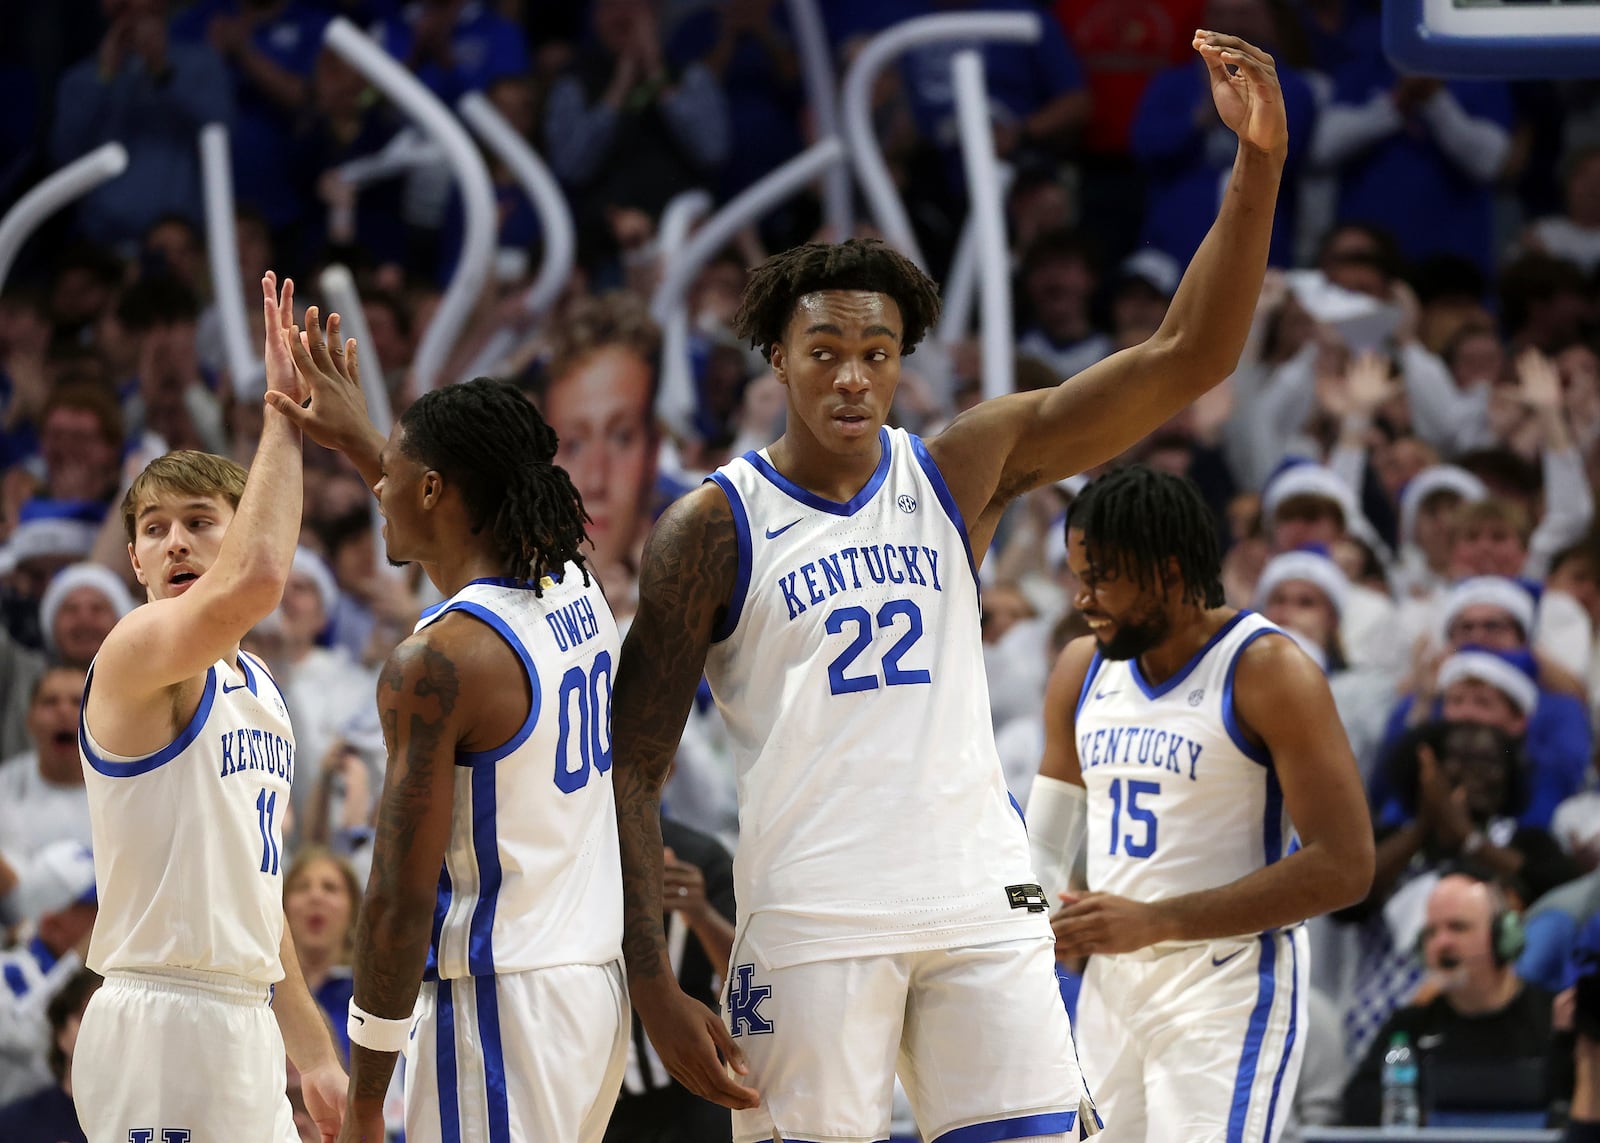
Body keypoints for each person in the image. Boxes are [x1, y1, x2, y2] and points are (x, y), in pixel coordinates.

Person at [609, 30, 1290, 1143]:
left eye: (876, 353)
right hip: (815, 921)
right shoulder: (711, 525)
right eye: (823, 348)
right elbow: (632, 771)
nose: (851, 374)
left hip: (982, 899)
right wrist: (650, 979)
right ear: (775, 358)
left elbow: (1186, 356)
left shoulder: (959, 469)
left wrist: (1254, 163)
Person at [268, 313, 628, 1143]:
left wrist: (365, 1096)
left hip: (499, 1006)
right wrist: (366, 443)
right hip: (586, 993)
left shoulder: (435, 663)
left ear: (433, 488)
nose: (380, 486)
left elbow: (398, 898)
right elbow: (459, 533)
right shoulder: (574, 585)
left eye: (393, 472)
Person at [71, 275, 346, 1142]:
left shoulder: (262, 691)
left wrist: (314, 1053)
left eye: (199, 520)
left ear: (237, 525)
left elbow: (258, 903)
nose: (176, 541)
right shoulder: (134, 655)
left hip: (243, 1022)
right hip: (156, 1020)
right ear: (135, 559)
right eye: (155, 528)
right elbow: (261, 577)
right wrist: (283, 416)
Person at [1031, 466, 1374, 1142]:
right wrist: (1032, 926)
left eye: (1100, 576)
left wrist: (1158, 919)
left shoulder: (1269, 670)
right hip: (1111, 984)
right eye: (1078, 574)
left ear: (1166, 571)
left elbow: (1346, 865)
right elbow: (1043, 844)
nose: (1082, 597)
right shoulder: (1080, 666)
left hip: (1229, 985)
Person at [1341, 869, 1559, 1125]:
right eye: (1431, 932)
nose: (1441, 943)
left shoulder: (1552, 1019)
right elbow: (1359, 1104)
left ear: (1503, 937)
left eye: (1458, 927)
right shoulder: (1409, 1028)